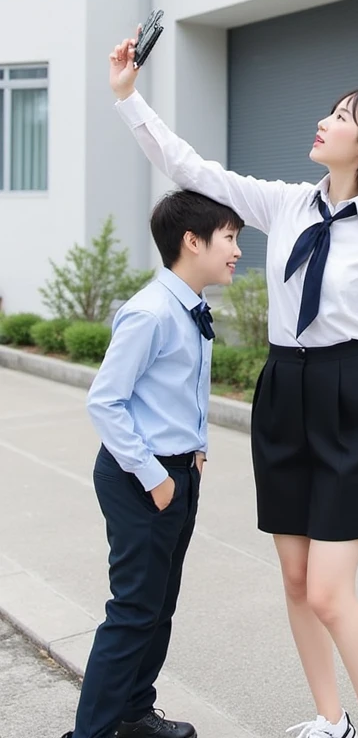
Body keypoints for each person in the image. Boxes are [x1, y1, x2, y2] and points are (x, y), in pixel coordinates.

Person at [109, 36, 358, 738]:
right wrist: (128, 97)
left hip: (355, 401)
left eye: (343, 115)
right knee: (294, 582)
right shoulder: (285, 204)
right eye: (329, 110)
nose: (325, 119)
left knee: (328, 591)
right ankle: (332, 717)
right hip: (284, 392)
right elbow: (188, 166)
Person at [60, 189, 243, 738]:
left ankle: (135, 715)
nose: (237, 251)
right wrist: (156, 476)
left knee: (159, 607)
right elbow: (105, 401)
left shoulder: (190, 305)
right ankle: (90, 733)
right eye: (230, 238)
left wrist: (198, 449)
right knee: (133, 610)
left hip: (177, 471)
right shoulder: (150, 311)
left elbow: (184, 390)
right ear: (193, 241)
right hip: (141, 476)